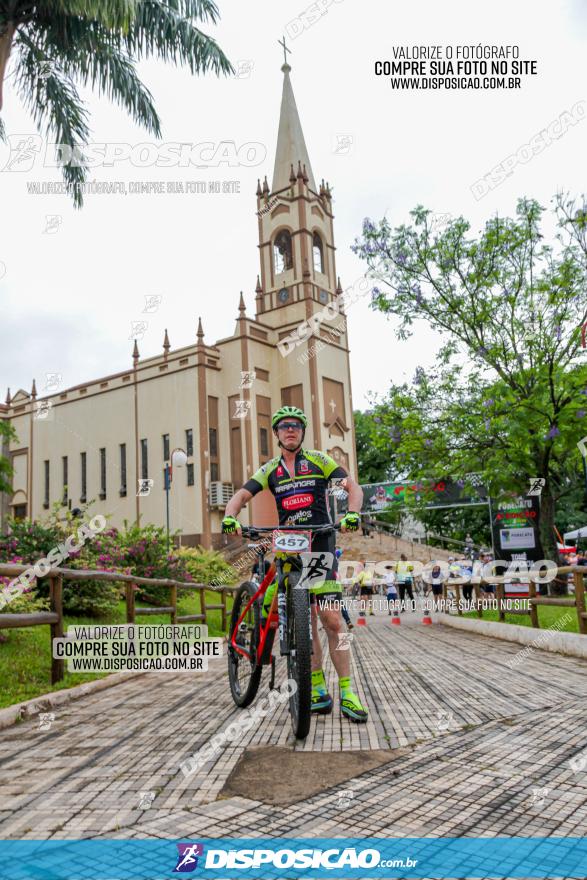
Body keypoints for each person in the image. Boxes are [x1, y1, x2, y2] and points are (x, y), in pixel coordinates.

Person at [221, 406, 368, 723]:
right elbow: (241, 497)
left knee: (331, 620)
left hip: (319, 543)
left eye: (296, 426)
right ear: (276, 433)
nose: (290, 430)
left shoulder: (319, 460)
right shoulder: (270, 470)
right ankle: (316, 689)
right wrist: (229, 517)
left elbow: (352, 487)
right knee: (305, 619)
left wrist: (352, 512)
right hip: (288, 546)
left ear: (302, 432)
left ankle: (348, 691)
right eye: (284, 426)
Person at [335, 547, 353, 630]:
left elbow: (341, 550)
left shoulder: (332, 555)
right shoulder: (336, 555)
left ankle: (329, 623)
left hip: (331, 584)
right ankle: (348, 621)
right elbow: (342, 550)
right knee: (341, 604)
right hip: (337, 585)